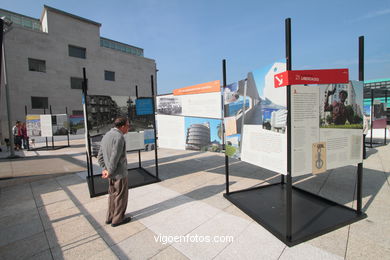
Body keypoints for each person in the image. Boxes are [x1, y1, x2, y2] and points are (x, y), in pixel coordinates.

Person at [97, 117, 131, 227]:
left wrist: (105, 169)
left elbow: (100, 156)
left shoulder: (106, 135)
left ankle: (110, 217)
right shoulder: (119, 137)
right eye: (127, 125)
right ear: (122, 126)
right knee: (121, 196)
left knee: (112, 195)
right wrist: (110, 171)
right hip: (119, 173)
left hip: (110, 172)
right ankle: (118, 219)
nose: (128, 128)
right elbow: (114, 157)